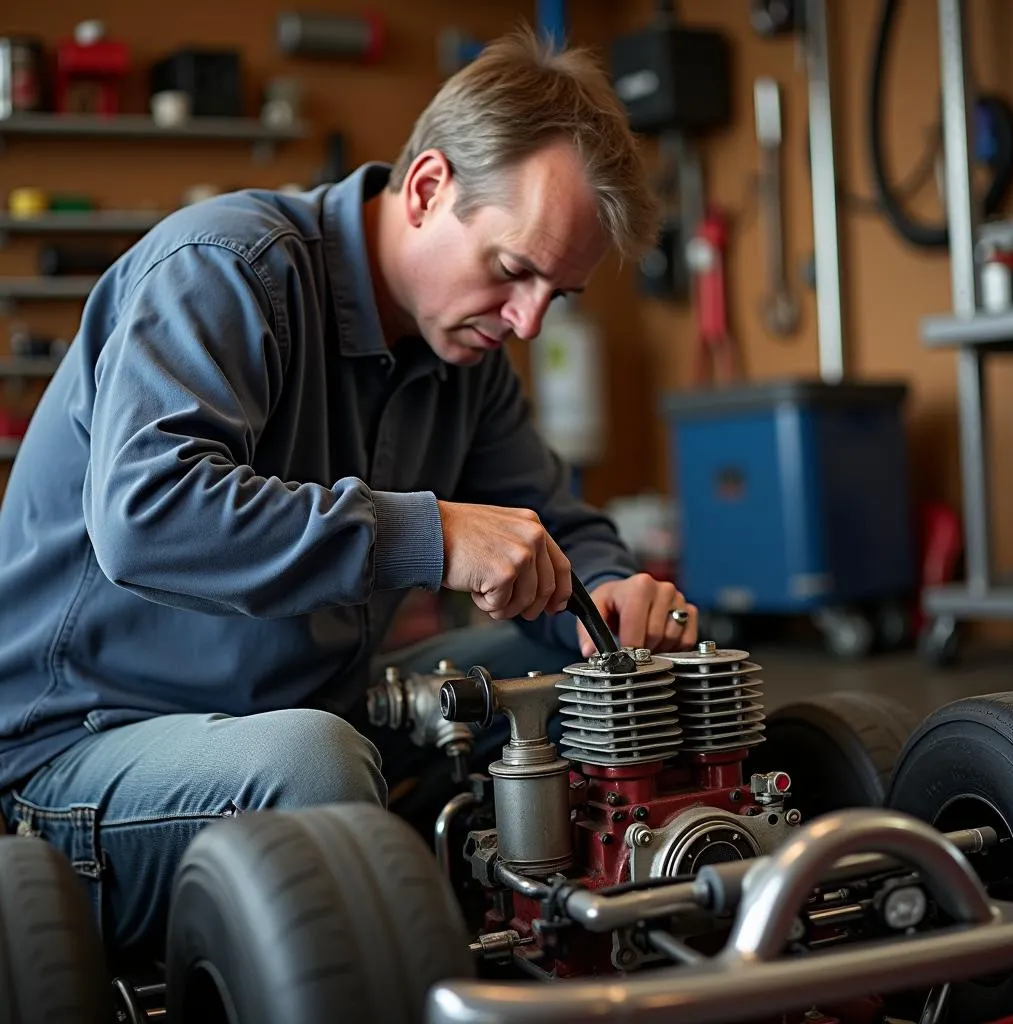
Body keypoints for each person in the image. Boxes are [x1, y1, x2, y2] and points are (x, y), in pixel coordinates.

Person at [0, 28, 698, 954]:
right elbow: (145, 515)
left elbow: (548, 521)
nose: (527, 321)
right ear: (426, 189)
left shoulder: (465, 354)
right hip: (73, 763)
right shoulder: (227, 268)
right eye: (512, 270)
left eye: (556, 296)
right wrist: (433, 533)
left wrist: (600, 592)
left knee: (597, 694)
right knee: (311, 763)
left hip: (314, 711)